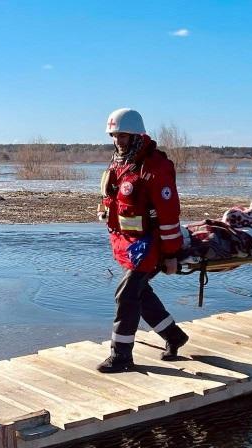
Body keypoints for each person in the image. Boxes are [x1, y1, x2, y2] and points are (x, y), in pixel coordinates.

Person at [96, 108, 189, 373]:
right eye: (114, 136)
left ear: (137, 134)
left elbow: (169, 214)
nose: (117, 141)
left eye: (122, 136)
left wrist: (171, 254)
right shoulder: (120, 162)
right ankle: (174, 336)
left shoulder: (156, 167)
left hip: (152, 245)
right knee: (139, 293)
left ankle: (121, 356)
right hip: (130, 244)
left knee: (126, 294)